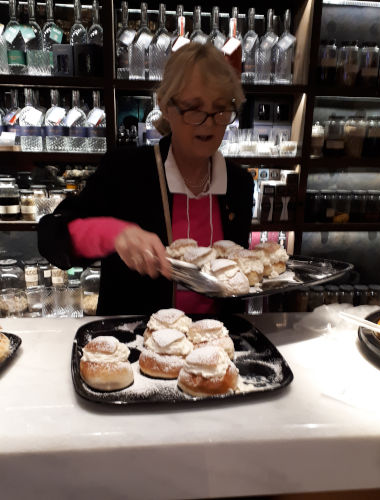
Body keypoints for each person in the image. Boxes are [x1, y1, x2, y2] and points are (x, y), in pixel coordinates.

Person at [38, 43, 254, 315]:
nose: (209, 122)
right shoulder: (125, 170)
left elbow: (237, 281)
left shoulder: (239, 184)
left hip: (217, 348)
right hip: (136, 347)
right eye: (194, 108)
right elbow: (51, 237)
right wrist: (114, 234)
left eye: (221, 108)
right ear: (165, 106)